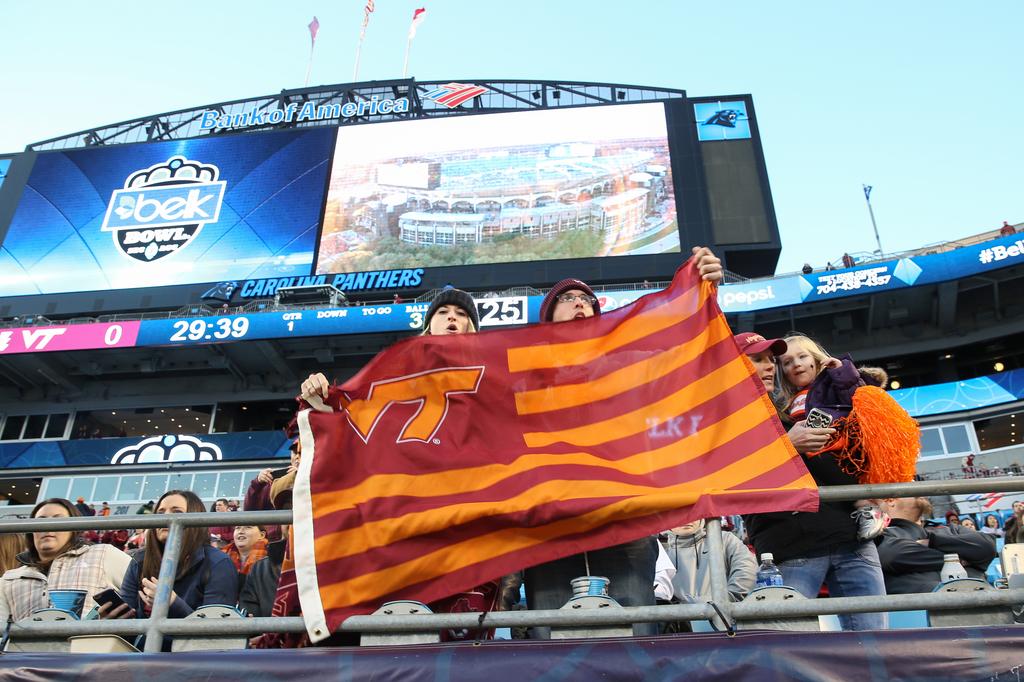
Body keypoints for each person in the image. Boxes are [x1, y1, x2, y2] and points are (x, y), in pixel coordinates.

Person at [524, 247, 724, 638]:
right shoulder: (523, 371)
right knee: (548, 649)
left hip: (625, 518)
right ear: (547, 316)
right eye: (567, 300)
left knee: (635, 639)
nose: (579, 304)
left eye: (587, 300)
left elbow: (688, 354)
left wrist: (704, 295)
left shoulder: (628, 363)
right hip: (551, 527)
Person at [739, 333, 888, 631]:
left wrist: (874, 491)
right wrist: (787, 446)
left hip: (851, 539)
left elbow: (857, 452)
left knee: (875, 647)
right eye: (759, 360)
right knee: (787, 649)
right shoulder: (728, 416)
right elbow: (727, 477)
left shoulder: (791, 411)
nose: (770, 367)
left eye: (771, 360)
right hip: (791, 546)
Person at [115, 490, 238, 637]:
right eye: (160, 513)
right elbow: (127, 624)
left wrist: (172, 603)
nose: (166, 517)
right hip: (140, 654)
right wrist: (111, 621)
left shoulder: (218, 563)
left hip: (191, 657)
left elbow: (215, 634)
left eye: (176, 511)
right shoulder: (139, 560)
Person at [0, 498, 132, 623]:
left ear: (73, 529)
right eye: (41, 520)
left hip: (91, 645)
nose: (48, 525)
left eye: (59, 519)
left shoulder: (104, 554)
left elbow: (142, 596)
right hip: (28, 647)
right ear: (30, 531)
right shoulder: (9, 579)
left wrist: (111, 626)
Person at [875, 497, 997, 594]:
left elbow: (987, 546)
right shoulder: (882, 534)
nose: (918, 488)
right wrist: (959, 558)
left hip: (984, 606)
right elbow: (893, 556)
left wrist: (932, 542)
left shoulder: (952, 529)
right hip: (922, 615)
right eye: (909, 485)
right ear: (891, 501)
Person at [661, 519, 756, 617]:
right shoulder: (660, 553)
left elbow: (747, 573)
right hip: (678, 624)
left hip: (726, 620)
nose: (686, 519)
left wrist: (724, 601)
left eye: (693, 513)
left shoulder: (725, 540)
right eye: (679, 514)